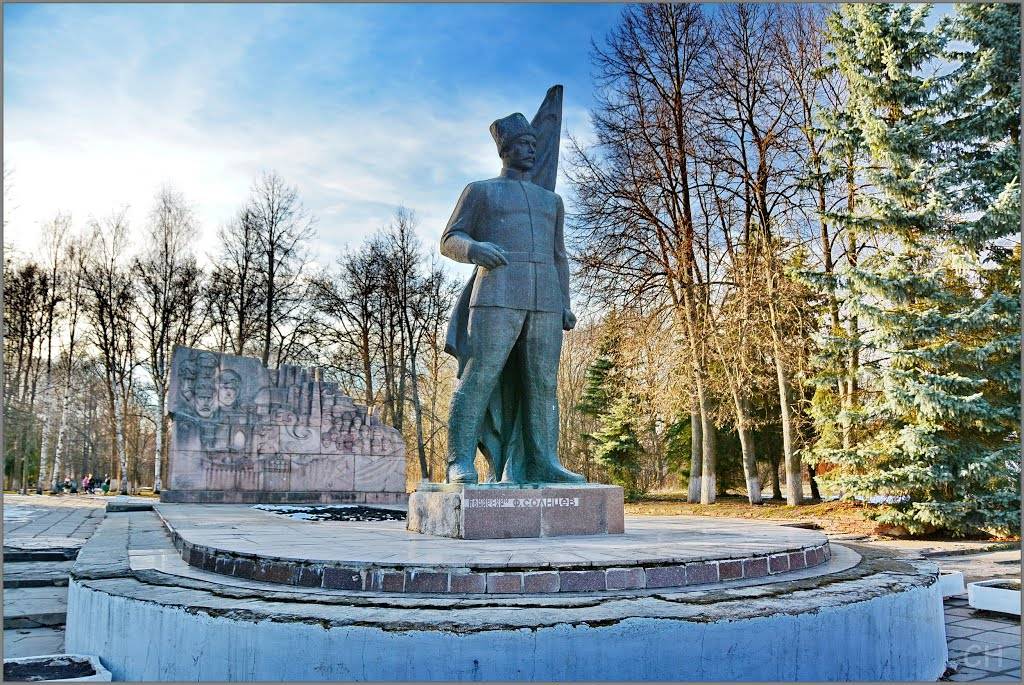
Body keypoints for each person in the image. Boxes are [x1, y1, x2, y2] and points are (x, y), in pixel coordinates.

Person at [440, 97, 584, 485]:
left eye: (535, 144)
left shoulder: (551, 201)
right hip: (497, 293)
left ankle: (543, 461)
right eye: (524, 144)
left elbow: (559, 256)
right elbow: (449, 239)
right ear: (505, 149)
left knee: (543, 384)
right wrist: (475, 249)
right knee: (481, 374)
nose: (532, 150)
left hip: (545, 300)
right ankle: (459, 460)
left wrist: (565, 303)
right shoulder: (481, 191)